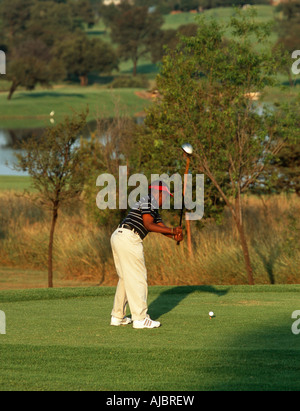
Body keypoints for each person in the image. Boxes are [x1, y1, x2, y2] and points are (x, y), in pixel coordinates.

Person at [110, 180, 183, 329]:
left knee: (126, 279)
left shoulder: (150, 205)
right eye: (166, 196)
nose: (167, 200)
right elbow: (149, 225)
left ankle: (117, 317)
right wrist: (172, 230)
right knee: (138, 278)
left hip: (119, 236)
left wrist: (174, 235)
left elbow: (160, 227)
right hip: (130, 238)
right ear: (159, 193)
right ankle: (140, 318)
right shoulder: (149, 201)